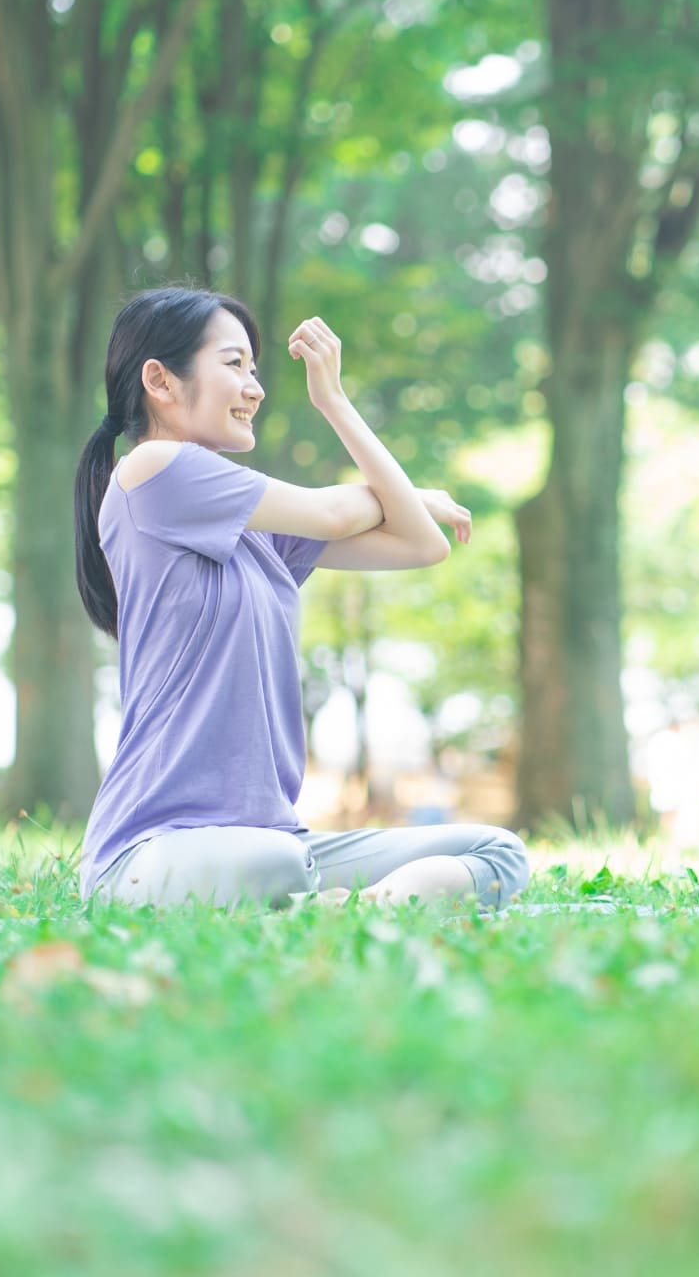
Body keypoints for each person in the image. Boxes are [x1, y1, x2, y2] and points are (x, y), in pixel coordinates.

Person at [72, 286, 530, 910]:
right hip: (150, 852)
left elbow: (423, 547)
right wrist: (407, 491)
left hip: (275, 843)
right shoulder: (151, 471)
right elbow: (330, 511)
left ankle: (357, 910)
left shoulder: (257, 533)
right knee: (277, 863)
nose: (255, 388)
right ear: (160, 380)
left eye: (255, 369)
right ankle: (329, 903)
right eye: (234, 365)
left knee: (497, 849)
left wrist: (337, 404)